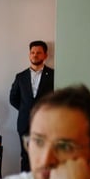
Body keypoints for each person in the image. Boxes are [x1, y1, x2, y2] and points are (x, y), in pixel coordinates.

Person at [9, 40, 54, 172]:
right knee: (26, 155)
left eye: (38, 53)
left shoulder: (53, 75)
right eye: (32, 52)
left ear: (45, 55)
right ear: (29, 55)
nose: (35, 55)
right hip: (25, 123)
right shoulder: (20, 76)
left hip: (46, 123)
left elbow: (56, 98)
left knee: (45, 154)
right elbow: (13, 98)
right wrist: (26, 110)